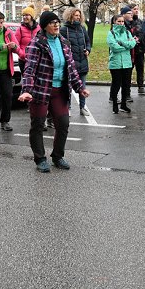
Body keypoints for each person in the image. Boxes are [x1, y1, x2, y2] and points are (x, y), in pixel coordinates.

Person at [18, 11, 90, 172]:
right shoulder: (36, 44)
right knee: (38, 125)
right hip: (40, 91)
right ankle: (40, 159)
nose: (56, 25)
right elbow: (29, 70)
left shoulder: (64, 42)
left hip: (60, 91)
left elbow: (71, 68)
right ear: (44, 26)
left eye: (57, 22)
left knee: (63, 124)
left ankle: (58, 156)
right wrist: (27, 90)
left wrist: (80, 87)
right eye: (52, 23)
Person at [60, 7, 91, 116]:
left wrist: (88, 50)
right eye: (75, 15)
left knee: (82, 87)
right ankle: (68, 107)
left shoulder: (82, 28)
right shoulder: (64, 30)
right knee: (68, 88)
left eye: (79, 15)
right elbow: (61, 45)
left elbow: (88, 41)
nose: (78, 17)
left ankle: (82, 107)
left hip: (82, 62)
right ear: (70, 16)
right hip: (70, 64)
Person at [107, 13, 136, 114]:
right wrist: (126, 46)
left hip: (127, 63)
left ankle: (123, 105)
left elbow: (132, 44)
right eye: (119, 21)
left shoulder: (127, 32)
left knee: (126, 85)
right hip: (115, 63)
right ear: (114, 22)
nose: (121, 23)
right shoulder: (111, 33)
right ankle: (115, 105)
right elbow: (114, 47)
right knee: (116, 85)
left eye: (122, 21)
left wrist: (122, 43)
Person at [124, 5, 144, 97]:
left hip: (139, 50)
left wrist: (139, 38)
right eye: (134, 9)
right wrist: (132, 40)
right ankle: (127, 91)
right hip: (129, 51)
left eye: (137, 9)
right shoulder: (125, 22)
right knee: (128, 71)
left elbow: (142, 33)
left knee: (140, 69)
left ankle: (141, 86)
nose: (136, 11)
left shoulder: (139, 21)